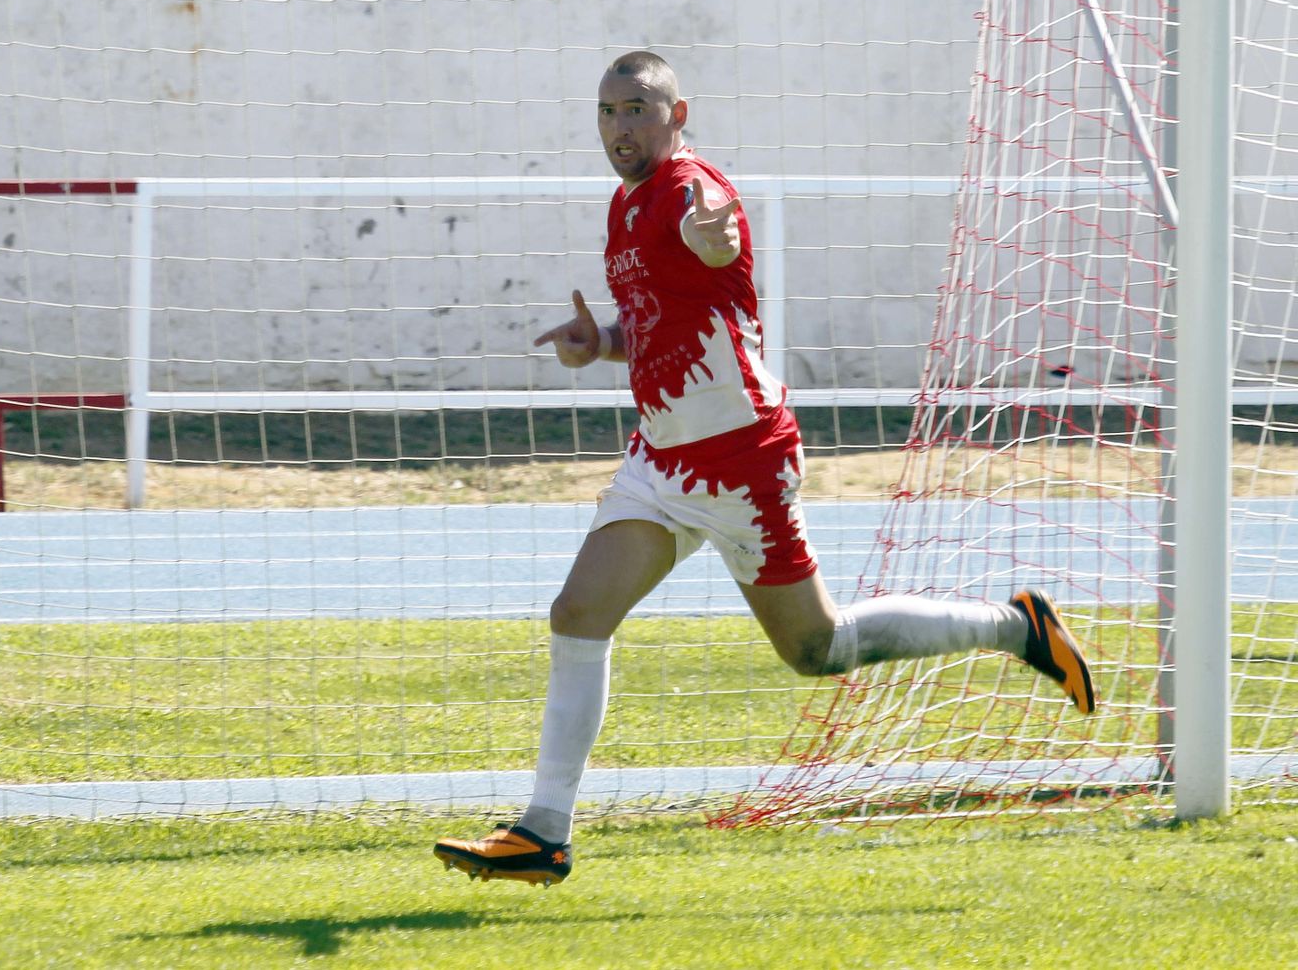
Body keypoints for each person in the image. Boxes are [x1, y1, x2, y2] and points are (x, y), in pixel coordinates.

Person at [433, 51, 1095, 887]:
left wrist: (713, 237)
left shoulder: (693, 191)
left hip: (741, 464)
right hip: (662, 459)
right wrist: (600, 342)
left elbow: (714, 241)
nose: (619, 128)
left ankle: (1016, 627)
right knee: (577, 614)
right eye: (606, 112)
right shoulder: (626, 203)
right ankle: (544, 833)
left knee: (818, 648)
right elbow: (667, 319)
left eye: (637, 109)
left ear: (677, 115)